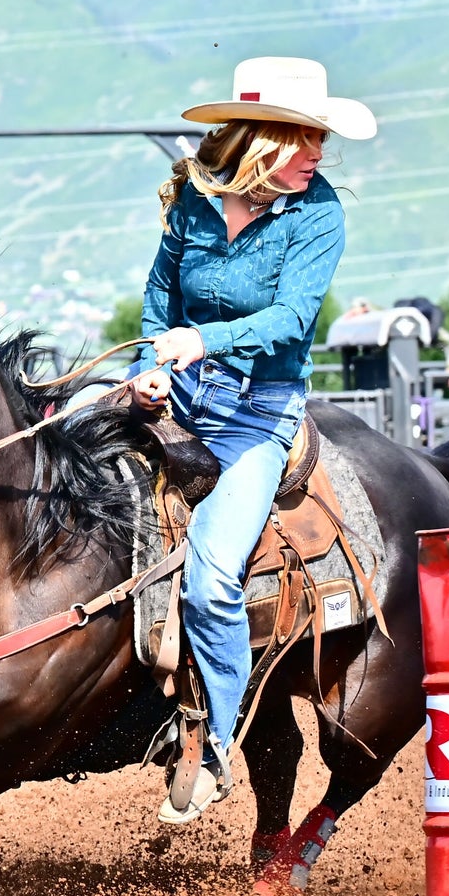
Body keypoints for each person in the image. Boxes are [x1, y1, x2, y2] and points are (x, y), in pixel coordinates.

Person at [130, 55, 375, 824]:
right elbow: (157, 298)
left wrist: (201, 340)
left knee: (211, 580)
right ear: (262, 139)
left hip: (255, 414)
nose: (319, 153)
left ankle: (214, 747)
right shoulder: (193, 200)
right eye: (307, 137)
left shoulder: (317, 213)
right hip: (180, 394)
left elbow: (293, 319)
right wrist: (147, 369)